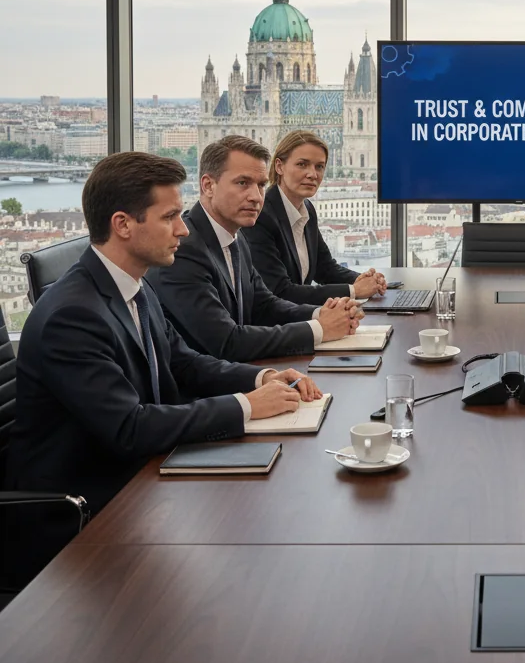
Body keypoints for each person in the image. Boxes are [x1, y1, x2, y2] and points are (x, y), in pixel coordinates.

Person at [5, 152, 321, 580]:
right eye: (170, 216)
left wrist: (262, 378)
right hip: (86, 515)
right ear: (123, 224)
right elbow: (130, 428)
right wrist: (246, 407)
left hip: (142, 480)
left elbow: (183, 362)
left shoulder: (133, 285)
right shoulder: (71, 315)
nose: (183, 228)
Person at [148, 135, 362, 361]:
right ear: (208, 185)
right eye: (243, 183)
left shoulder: (236, 239)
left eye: (261, 185)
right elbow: (227, 342)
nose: (256, 197)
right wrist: (319, 329)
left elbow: (264, 305)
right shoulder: (184, 250)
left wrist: (322, 314)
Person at [242, 130, 387, 305]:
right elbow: (280, 291)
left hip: (298, 319)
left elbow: (325, 268)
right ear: (279, 166)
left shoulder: (307, 209)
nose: (313, 174)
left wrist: (365, 280)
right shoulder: (261, 216)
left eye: (319, 166)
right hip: (272, 327)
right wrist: (354, 290)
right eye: (302, 164)